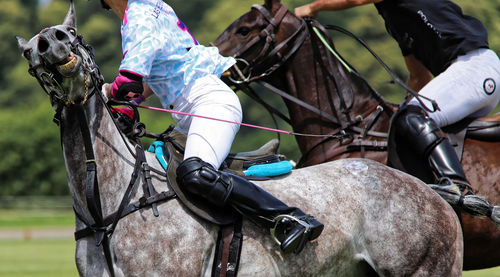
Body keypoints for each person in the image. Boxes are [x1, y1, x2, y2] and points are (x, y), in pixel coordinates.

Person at [100, 0, 323, 254]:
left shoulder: (139, 17)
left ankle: (290, 218)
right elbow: (154, 78)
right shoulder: (151, 7)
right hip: (191, 113)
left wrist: (105, 92)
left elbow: (127, 82)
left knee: (195, 173)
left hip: (210, 103)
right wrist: (132, 101)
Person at [295, 0, 500, 193]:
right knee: (406, 121)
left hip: (474, 68)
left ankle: (457, 187)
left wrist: (314, 7)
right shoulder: (396, 18)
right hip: (469, 76)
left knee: (414, 115)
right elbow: (418, 77)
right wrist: (398, 110)